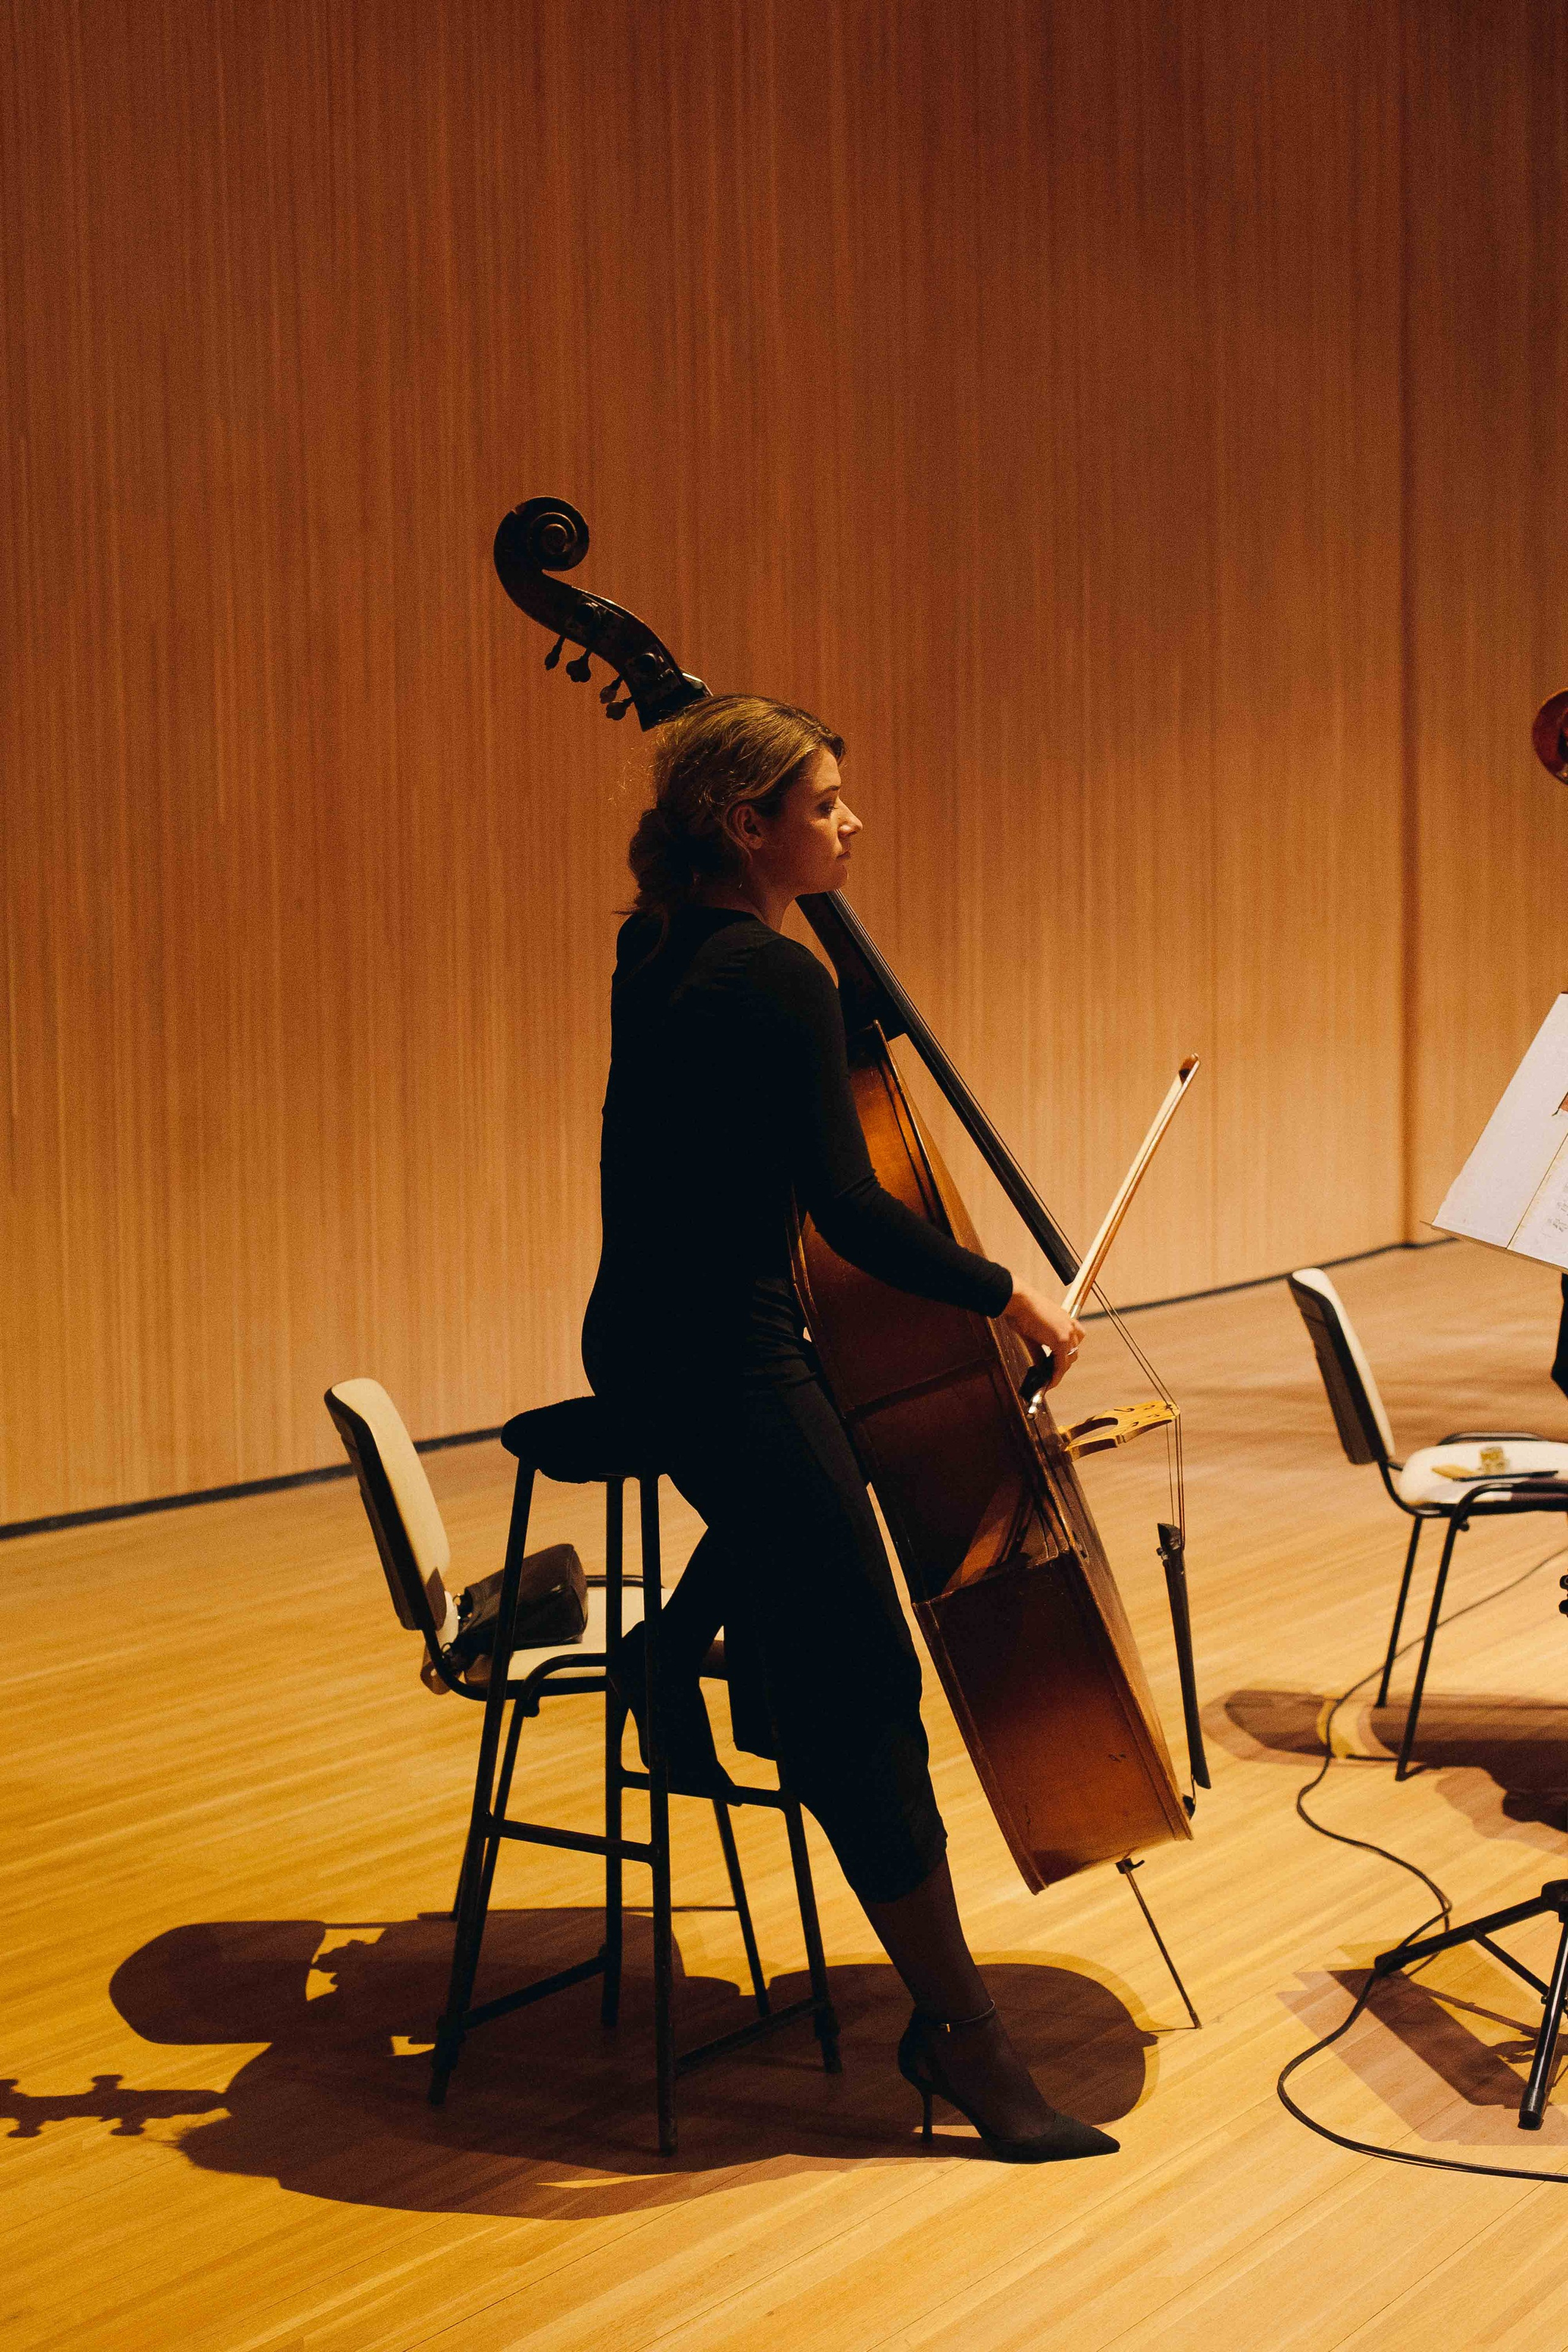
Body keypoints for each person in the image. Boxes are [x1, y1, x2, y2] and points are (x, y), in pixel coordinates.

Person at [582, 695, 1115, 2162]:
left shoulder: (653, 947)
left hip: (641, 1338)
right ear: (746, 825)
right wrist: (1011, 1294)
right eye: (822, 803)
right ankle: (961, 2038)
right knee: (866, 1687)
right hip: (728, 1357)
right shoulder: (773, 977)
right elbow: (850, 1211)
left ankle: (679, 1648)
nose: (849, 823)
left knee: (820, 1509)